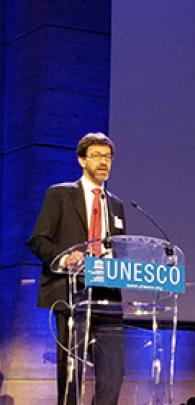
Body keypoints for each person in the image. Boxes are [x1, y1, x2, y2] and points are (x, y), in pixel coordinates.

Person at [28, 132, 126, 405]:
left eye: (107, 157)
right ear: (82, 160)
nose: (103, 162)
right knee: (73, 372)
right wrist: (64, 257)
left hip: (108, 296)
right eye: (96, 156)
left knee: (113, 375)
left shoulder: (116, 204)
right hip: (72, 295)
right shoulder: (60, 194)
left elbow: (120, 248)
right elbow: (38, 240)